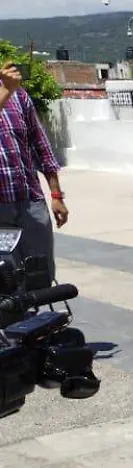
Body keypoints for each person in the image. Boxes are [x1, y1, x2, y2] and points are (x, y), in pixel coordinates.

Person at [0, 60, 68, 293]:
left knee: (41, 275)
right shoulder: (9, 90)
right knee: (6, 281)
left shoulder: (18, 95)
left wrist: (56, 194)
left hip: (30, 202)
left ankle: (36, 327)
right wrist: (6, 91)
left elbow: (41, 146)